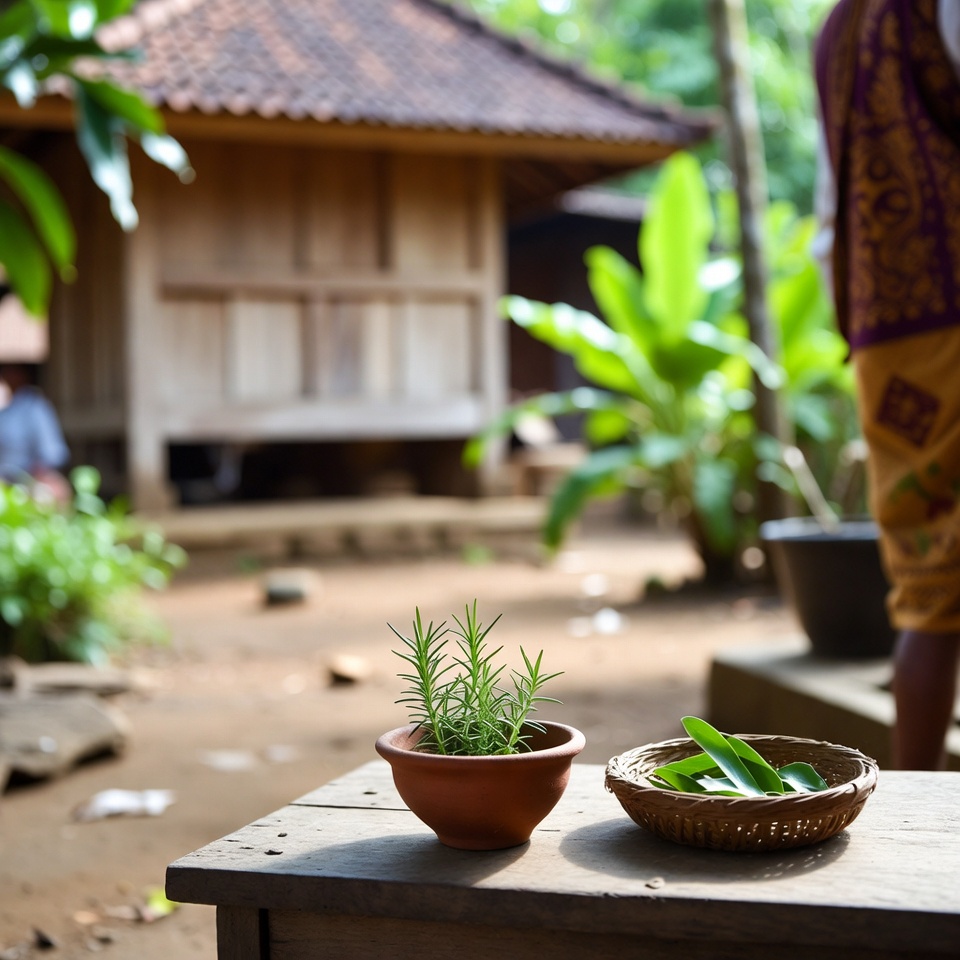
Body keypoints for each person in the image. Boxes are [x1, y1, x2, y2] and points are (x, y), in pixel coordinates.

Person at [814, 0, 960, 769]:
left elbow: (829, 222)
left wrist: (866, 334)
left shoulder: (838, 32)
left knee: (931, 594)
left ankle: (914, 811)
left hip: (894, 341)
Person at [0, 362, 70, 503]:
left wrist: (35, 475)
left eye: (12, 371)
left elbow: (53, 453)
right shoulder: (7, 410)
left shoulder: (36, 407)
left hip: (30, 480)